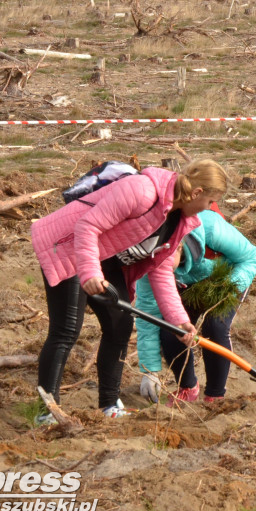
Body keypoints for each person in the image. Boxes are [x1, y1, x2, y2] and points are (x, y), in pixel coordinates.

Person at [31, 159, 227, 420]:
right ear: (197, 193)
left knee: (120, 326)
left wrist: (179, 321)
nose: (209, 208)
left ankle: (109, 406)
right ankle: (48, 412)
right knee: (66, 330)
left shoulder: (180, 222)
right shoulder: (142, 191)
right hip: (67, 246)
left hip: (104, 256)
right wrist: (90, 272)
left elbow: (161, 273)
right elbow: (87, 227)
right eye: (210, 201)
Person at [135, 208, 256, 404]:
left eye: (166, 263)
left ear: (177, 247)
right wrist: (149, 370)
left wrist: (224, 289)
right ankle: (188, 387)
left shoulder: (210, 228)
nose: (160, 268)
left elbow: (251, 258)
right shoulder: (152, 264)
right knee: (170, 329)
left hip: (227, 277)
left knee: (215, 327)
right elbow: (148, 314)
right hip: (187, 283)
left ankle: (215, 395)